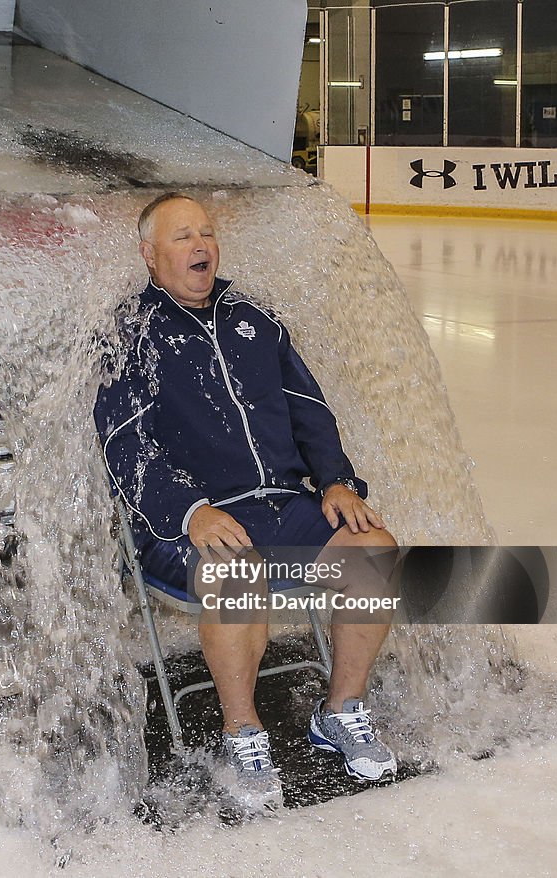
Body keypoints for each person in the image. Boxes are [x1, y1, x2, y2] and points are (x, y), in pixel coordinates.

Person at [94, 192, 399, 804]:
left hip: (284, 504)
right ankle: (243, 732)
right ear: (149, 255)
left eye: (207, 233)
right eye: (183, 237)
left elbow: (311, 411)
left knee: (375, 550)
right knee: (238, 574)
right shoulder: (128, 332)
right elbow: (124, 444)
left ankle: (339, 710)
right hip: (185, 520)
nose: (201, 245)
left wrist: (337, 481)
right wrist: (189, 511)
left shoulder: (254, 318)